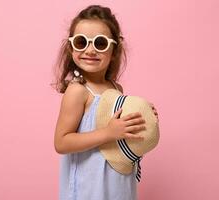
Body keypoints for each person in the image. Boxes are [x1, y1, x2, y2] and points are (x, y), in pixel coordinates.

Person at [52, 5, 158, 200]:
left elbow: (121, 135)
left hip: (117, 183)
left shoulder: (116, 88)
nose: (90, 50)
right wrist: (108, 133)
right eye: (81, 42)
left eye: (100, 43)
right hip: (89, 188)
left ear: (114, 49)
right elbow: (61, 142)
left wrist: (141, 117)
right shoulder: (78, 91)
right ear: (71, 47)